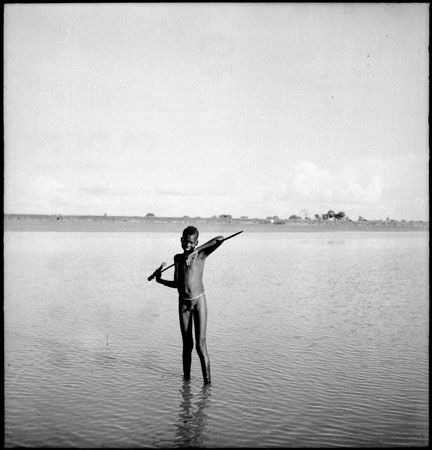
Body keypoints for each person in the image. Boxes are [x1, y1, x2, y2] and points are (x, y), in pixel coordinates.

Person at [154, 226, 224, 384]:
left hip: (199, 302)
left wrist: (196, 251)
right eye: (185, 241)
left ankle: (207, 385)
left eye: (191, 243)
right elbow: (178, 284)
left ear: (196, 242)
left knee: (200, 346)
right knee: (187, 346)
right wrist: (160, 280)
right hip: (183, 304)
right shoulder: (177, 259)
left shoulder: (200, 255)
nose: (188, 245)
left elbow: (219, 238)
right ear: (181, 240)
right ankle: (186, 384)